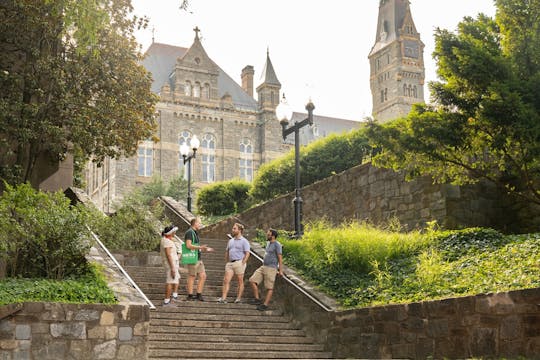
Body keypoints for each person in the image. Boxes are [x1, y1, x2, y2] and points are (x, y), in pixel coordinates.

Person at [249, 228, 283, 311]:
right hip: (264, 266)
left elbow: (280, 258)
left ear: (273, 236)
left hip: (271, 268)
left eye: (268, 234)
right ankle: (257, 299)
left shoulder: (277, 244)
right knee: (252, 280)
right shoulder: (268, 243)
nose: (267, 235)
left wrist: (280, 270)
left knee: (269, 287)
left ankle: (265, 304)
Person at [218, 223, 250, 303]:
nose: (233, 230)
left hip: (239, 262)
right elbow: (227, 251)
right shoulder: (230, 241)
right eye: (233, 228)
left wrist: (243, 263)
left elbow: (247, 253)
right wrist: (227, 262)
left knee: (240, 281)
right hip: (230, 264)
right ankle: (223, 298)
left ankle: (238, 299)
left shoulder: (244, 241)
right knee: (226, 280)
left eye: (234, 228)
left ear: (239, 230)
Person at [184, 217, 213, 301]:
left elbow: (195, 246)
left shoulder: (194, 233)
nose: (200, 224)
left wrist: (205, 249)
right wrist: (200, 247)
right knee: (192, 276)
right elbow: (188, 245)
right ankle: (190, 295)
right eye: (199, 223)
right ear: (195, 223)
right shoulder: (189, 232)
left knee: (203, 275)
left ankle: (198, 294)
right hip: (193, 258)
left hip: (198, 258)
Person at [160, 225, 180, 306]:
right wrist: (172, 268)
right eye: (174, 232)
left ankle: (170, 299)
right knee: (170, 281)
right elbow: (168, 255)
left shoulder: (168, 240)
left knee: (173, 280)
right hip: (170, 263)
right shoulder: (166, 241)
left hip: (173, 262)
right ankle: (166, 301)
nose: (175, 233)